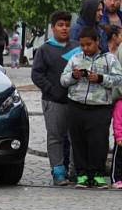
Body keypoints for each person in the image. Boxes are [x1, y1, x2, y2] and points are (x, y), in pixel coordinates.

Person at [60, 27, 122, 188]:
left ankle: (98, 174)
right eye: (82, 45)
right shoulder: (75, 58)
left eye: (88, 44)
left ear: (97, 42)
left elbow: (118, 79)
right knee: (78, 141)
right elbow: (63, 80)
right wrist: (74, 76)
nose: (85, 48)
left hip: (100, 107)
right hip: (76, 105)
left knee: (98, 142)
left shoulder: (110, 59)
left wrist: (100, 78)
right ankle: (82, 175)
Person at [31, 11, 79, 186]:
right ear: (53, 28)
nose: (64, 28)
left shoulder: (77, 47)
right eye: (60, 25)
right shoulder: (45, 49)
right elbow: (36, 74)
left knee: (75, 137)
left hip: (75, 101)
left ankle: (74, 171)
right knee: (55, 137)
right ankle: (58, 171)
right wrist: (51, 90)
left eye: (67, 25)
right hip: (53, 101)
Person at [112, 95, 122, 189]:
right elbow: (117, 121)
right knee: (118, 160)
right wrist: (118, 136)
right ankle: (116, 179)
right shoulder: (120, 104)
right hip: (121, 138)